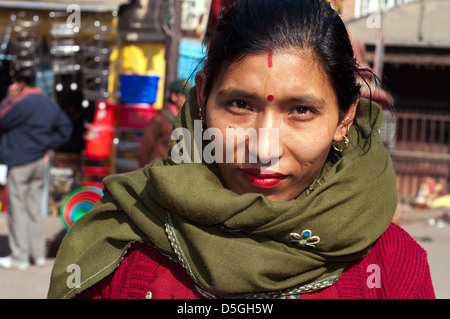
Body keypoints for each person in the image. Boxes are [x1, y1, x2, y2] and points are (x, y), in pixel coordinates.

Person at [48, 0, 434, 299]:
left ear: (344, 118)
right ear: (202, 97)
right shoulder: (121, 243)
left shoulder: (392, 265)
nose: (264, 148)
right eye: (240, 105)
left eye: (301, 110)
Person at [0, 68, 72, 270]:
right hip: (40, 161)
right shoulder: (49, 104)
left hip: (19, 160)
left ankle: (20, 257)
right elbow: (66, 128)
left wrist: (7, 99)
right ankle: (38, 254)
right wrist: (48, 144)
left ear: (19, 84)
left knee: (17, 210)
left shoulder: (20, 104)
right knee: (34, 209)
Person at [138, 79, 191, 167]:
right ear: (174, 96)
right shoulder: (159, 120)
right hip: (159, 172)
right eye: (185, 96)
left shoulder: (184, 119)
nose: (188, 101)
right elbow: (144, 151)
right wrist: (148, 176)